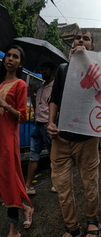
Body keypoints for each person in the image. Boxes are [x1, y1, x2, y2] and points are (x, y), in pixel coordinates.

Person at [47, 29, 101, 237]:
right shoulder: (62, 69)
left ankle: (92, 220)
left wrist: (86, 60)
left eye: (85, 38)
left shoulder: (98, 71)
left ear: (91, 46)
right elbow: (55, 98)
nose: (80, 40)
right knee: (62, 187)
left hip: (87, 138)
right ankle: (71, 226)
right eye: (77, 37)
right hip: (61, 138)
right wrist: (51, 122)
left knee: (90, 184)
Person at [0, 45, 34, 237]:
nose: (10, 59)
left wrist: (4, 105)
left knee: (10, 181)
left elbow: (22, 117)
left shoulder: (20, 84)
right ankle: (25, 207)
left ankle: (13, 230)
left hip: (8, 139)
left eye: (15, 57)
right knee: (3, 182)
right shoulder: (0, 85)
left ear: (20, 63)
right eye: (8, 56)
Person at [25, 62, 56, 195]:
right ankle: (28, 185)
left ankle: (56, 184)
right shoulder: (41, 88)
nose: (43, 71)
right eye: (42, 69)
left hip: (47, 126)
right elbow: (37, 106)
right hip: (37, 125)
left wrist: (52, 123)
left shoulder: (54, 87)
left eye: (46, 69)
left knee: (53, 156)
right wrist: (32, 93)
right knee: (34, 154)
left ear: (51, 71)